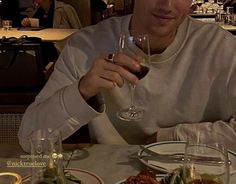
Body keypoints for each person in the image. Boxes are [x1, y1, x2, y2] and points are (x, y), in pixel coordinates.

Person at [18, 0, 236, 152]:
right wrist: (82, 90)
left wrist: (170, 139)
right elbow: (29, 138)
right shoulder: (86, 45)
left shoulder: (222, 48)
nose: (167, 6)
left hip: (195, 180)